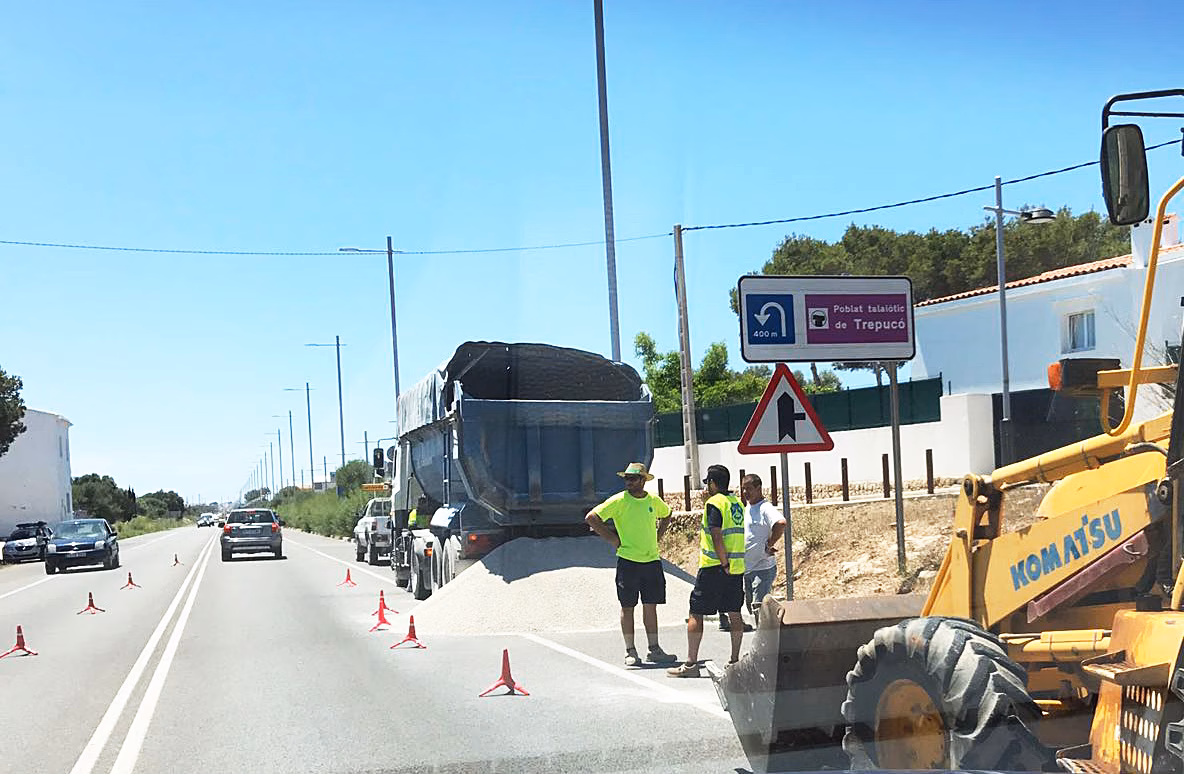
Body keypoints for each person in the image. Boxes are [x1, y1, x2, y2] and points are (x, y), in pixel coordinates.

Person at [586, 462, 679, 667]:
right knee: (627, 606)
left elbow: (667, 514)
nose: (628, 482)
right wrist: (612, 539)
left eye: (633, 478)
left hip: (651, 561)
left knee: (650, 605)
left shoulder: (653, 500)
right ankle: (630, 650)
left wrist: (657, 537)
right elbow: (592, 518)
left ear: (643, 480)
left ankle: (654, 649)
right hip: (628, 561)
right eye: (626, 478)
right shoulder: (619, 501)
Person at [668, 464, 746, 677]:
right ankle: (734, 661)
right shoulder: (736, 502)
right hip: (736, 568)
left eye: (708, 483)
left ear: (712, 483)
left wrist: (722, 562)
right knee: (734, 612)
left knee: (696, 612)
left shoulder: (714, 503)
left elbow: (716, 534)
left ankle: (691, 665)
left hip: (715, 567)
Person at [740, 473, 785, 626]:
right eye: (743, 489)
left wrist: (770, 544)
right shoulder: (747, 508)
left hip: (763, 567)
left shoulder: (765, 508)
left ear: (759, 488)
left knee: (759, 607)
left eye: (749, 489)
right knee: (752, 607)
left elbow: (780, 523)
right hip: (747, 568)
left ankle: (766, 646)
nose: (745, 492)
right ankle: (767, 640)